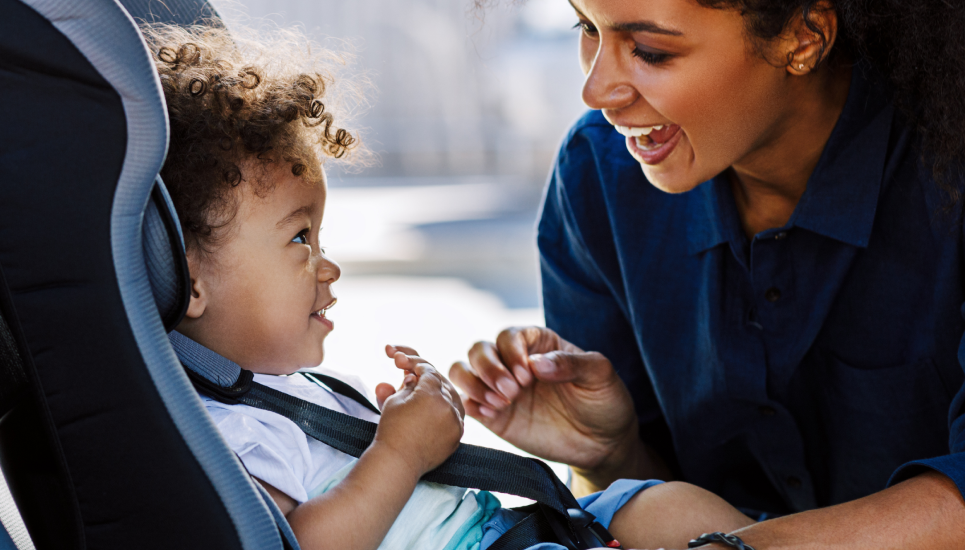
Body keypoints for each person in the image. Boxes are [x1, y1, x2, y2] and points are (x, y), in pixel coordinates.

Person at [143, 22, 753, 550]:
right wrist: (400, 454)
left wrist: (400, 427)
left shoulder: (293, 394)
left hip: (512, 530)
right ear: (191, 280)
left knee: (667, 506)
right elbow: (297, 544)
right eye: (301, 240)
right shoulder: (231, 432)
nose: (328, 267)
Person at [451, 0, 965, 547]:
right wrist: (614, 453)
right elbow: (665, 509)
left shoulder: (945, 170)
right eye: (586, 28)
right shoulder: (599, 178)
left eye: (649, 50)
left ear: (803, 37)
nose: (596, 91)